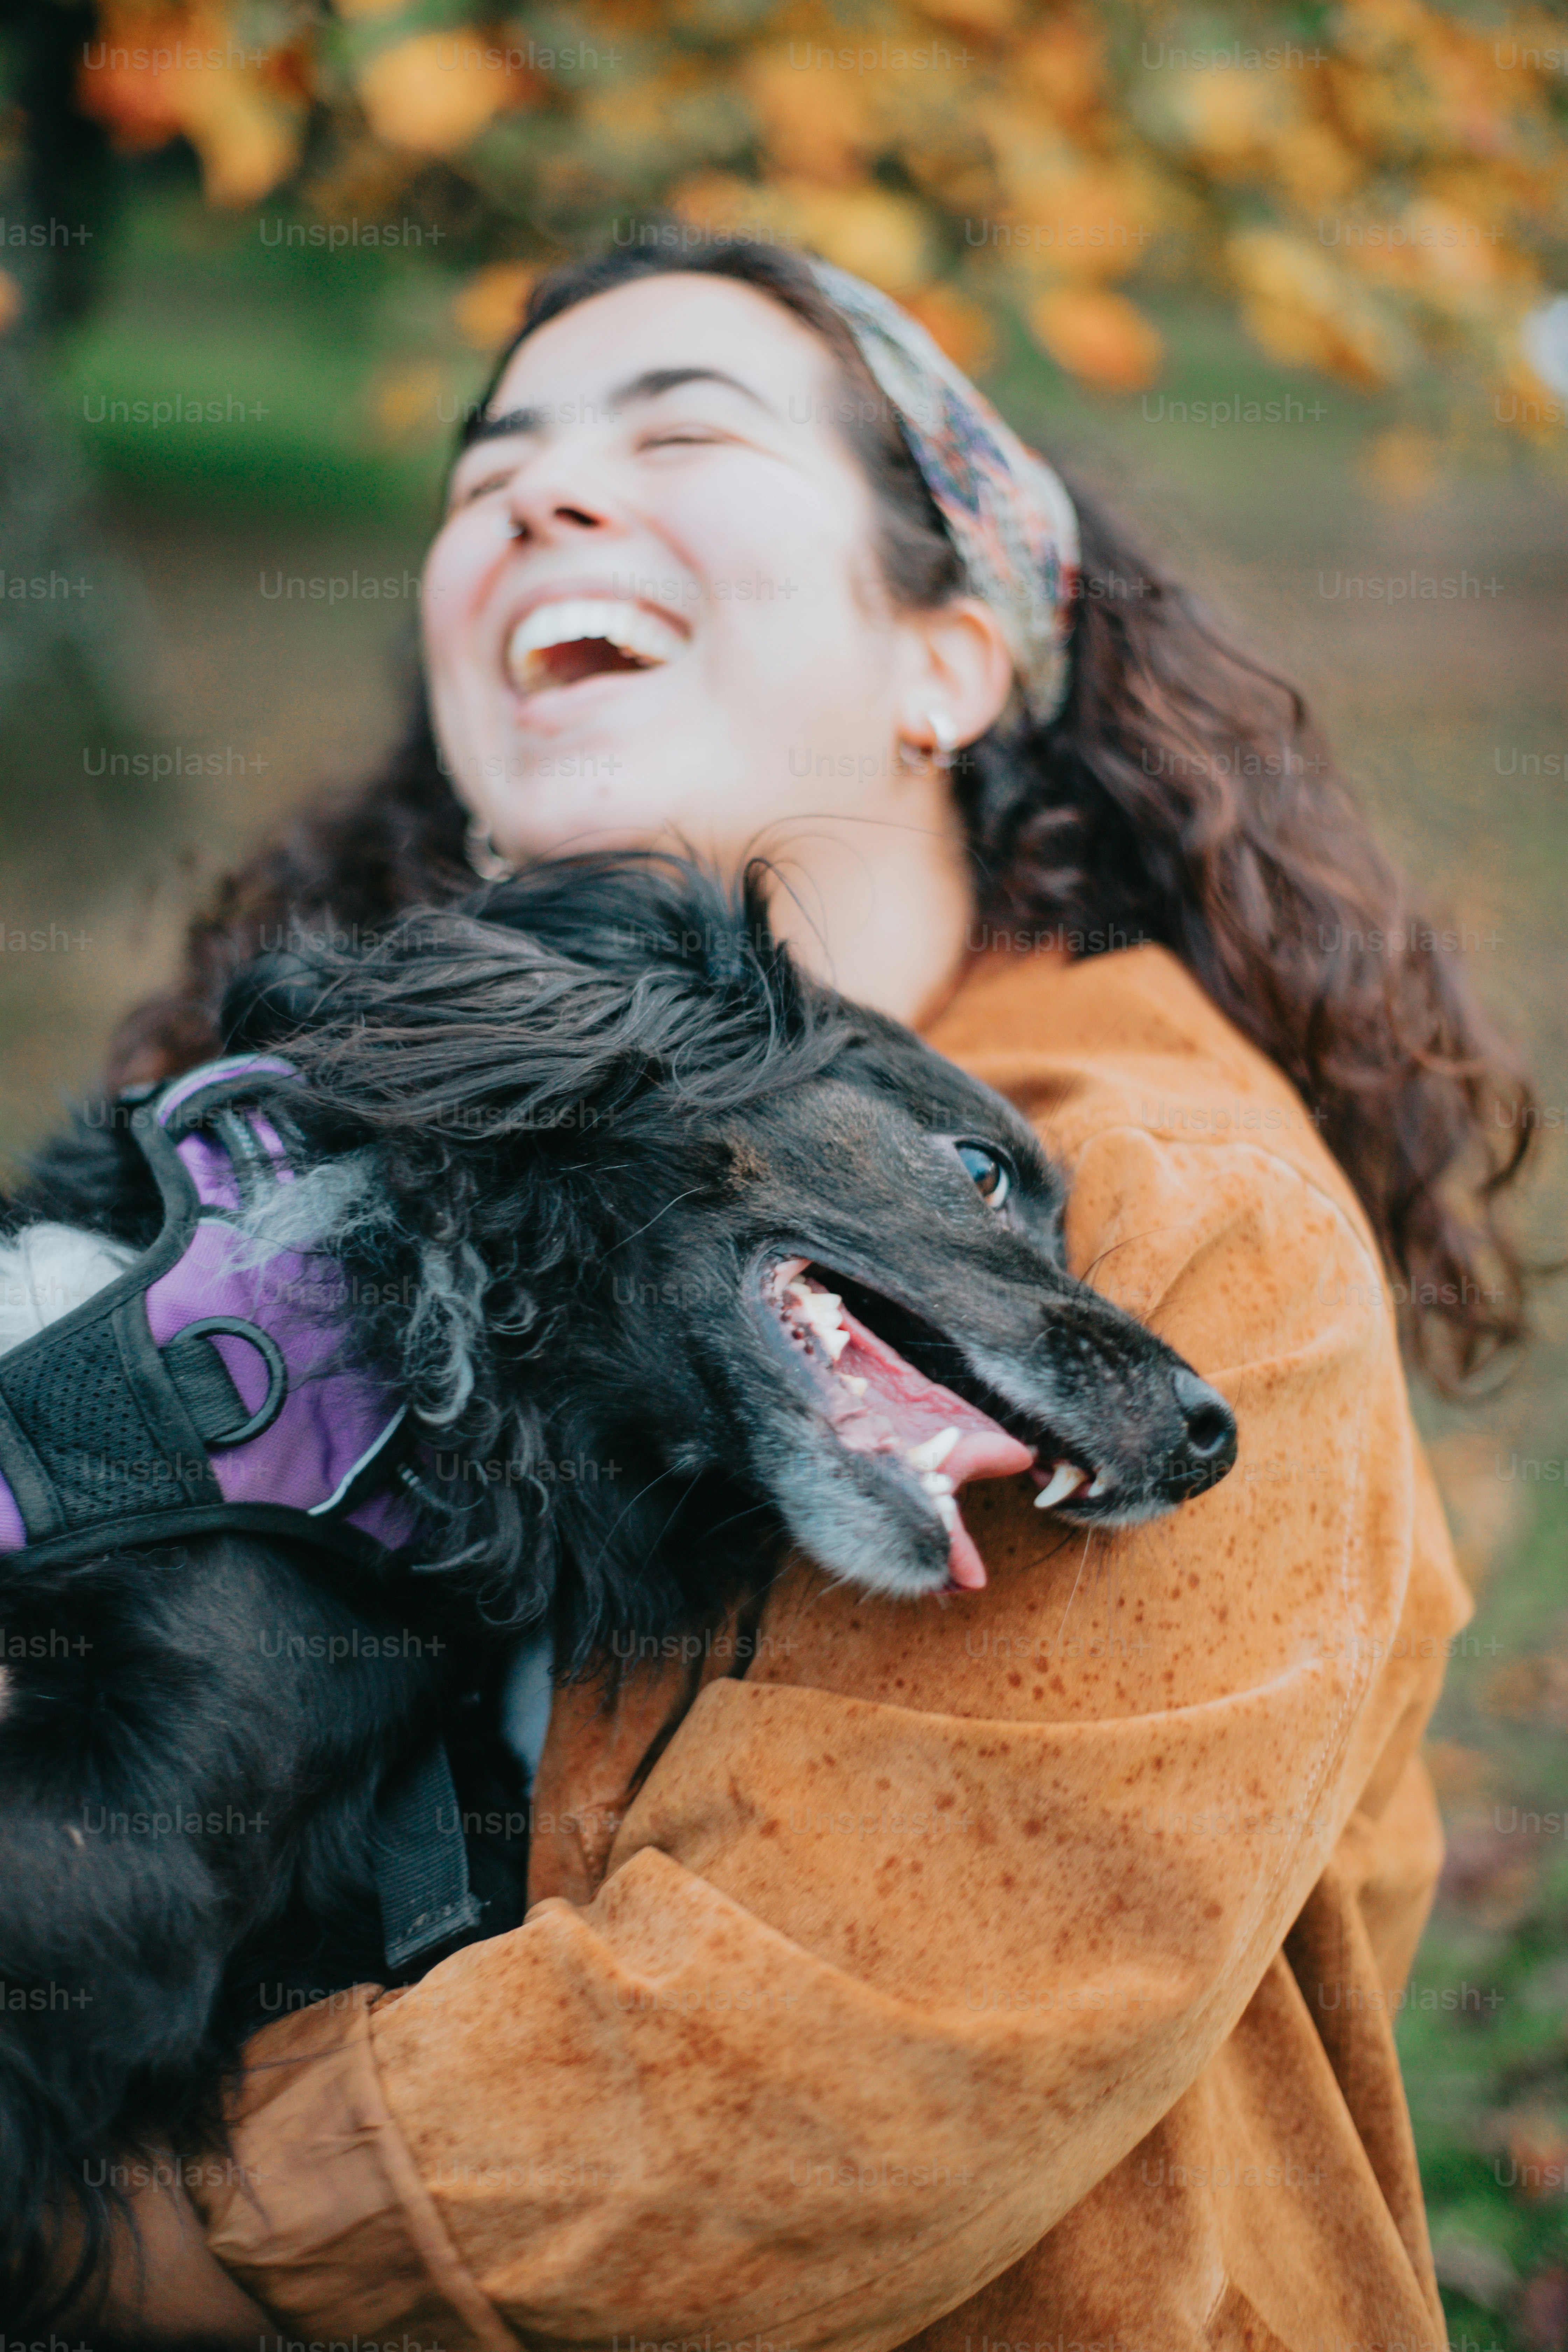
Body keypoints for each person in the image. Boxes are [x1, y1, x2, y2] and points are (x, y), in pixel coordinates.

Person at [82, 241, 1534, 2349]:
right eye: (492, 469)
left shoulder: (1151, 1214)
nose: (538, 501)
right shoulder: (297, 1169)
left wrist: (80, 2225)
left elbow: (798, 2087)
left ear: (950, 658)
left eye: (679, 430)